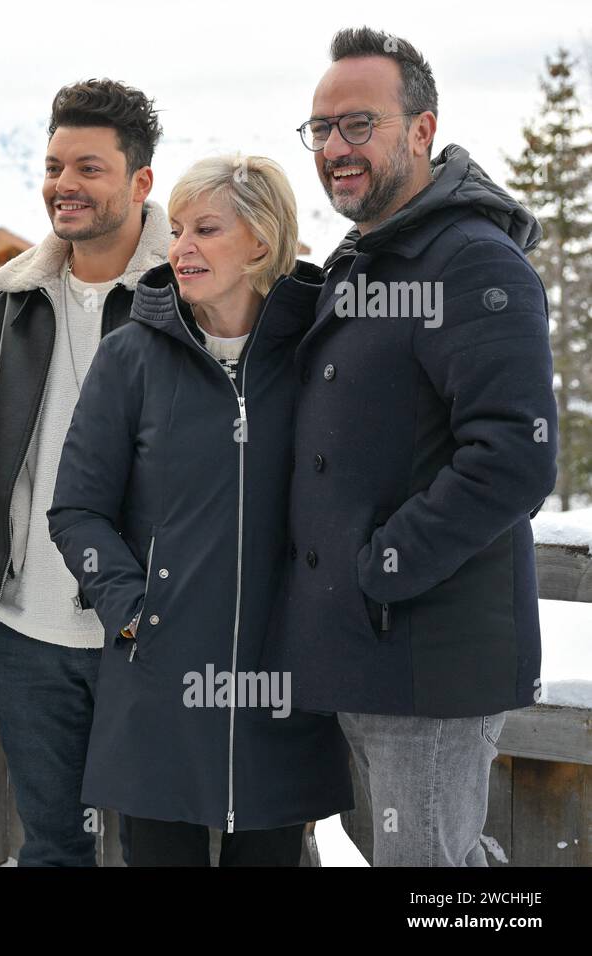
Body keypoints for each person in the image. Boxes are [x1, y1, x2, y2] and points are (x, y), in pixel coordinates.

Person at [267, 27, 558, 866]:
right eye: (320, 130)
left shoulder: (473, 263)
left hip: (427, 656)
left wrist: (383, 568)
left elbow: (514, 455)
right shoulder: (370, 258)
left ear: (423, 130)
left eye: (359, 125)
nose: (334, 148)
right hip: (361, 651)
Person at [48, 155, 352, 866]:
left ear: (261, 241)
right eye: (177, 229)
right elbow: (77, 510)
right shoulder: (130, 358)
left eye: (206, 229)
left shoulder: (321, 355)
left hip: (283, 683)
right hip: (158, 684)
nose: (179, 248)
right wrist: (133, 609)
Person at [0, 78, 168, 865]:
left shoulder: (180, 292)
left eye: (89, 167)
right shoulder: (10, 301)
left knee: (166, 844)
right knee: (52, 847)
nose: (64, 186)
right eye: (54, 166)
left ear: (140, 181)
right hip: (22, 627)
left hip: (145, 628)